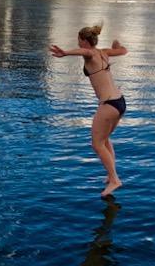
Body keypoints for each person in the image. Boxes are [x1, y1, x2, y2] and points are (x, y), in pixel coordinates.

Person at [50, 24, 129, 197]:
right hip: (120, 102)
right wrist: (117, 45)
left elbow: (85, 52)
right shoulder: (104, 52)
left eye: (79, 39)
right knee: (105, 139)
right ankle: (111, 175)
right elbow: (123, 51)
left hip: (109, 104)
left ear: (84, 40)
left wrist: (65, 53)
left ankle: (115, 179)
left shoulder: (91, 53)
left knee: (97, 144)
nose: (78, 43)